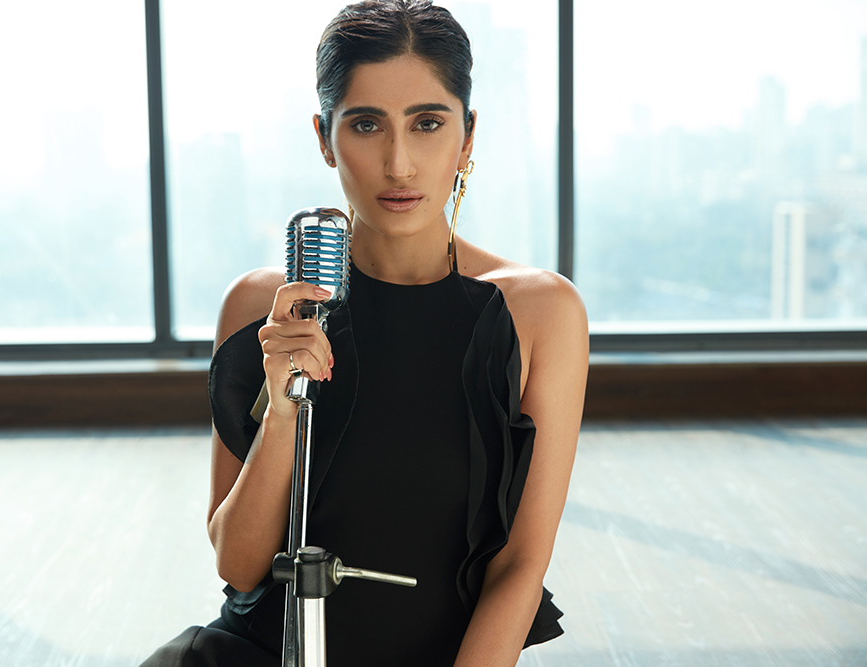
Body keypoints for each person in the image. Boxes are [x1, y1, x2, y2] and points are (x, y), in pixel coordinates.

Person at [141, 1, 587, 665]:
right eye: (366, 124)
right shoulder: (261, 306)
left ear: (467, 136)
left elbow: (520, 564)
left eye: (427, 123)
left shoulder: (540, 311)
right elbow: (238, 564)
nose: (399, 164)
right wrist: (284, 408)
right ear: (325, 138)